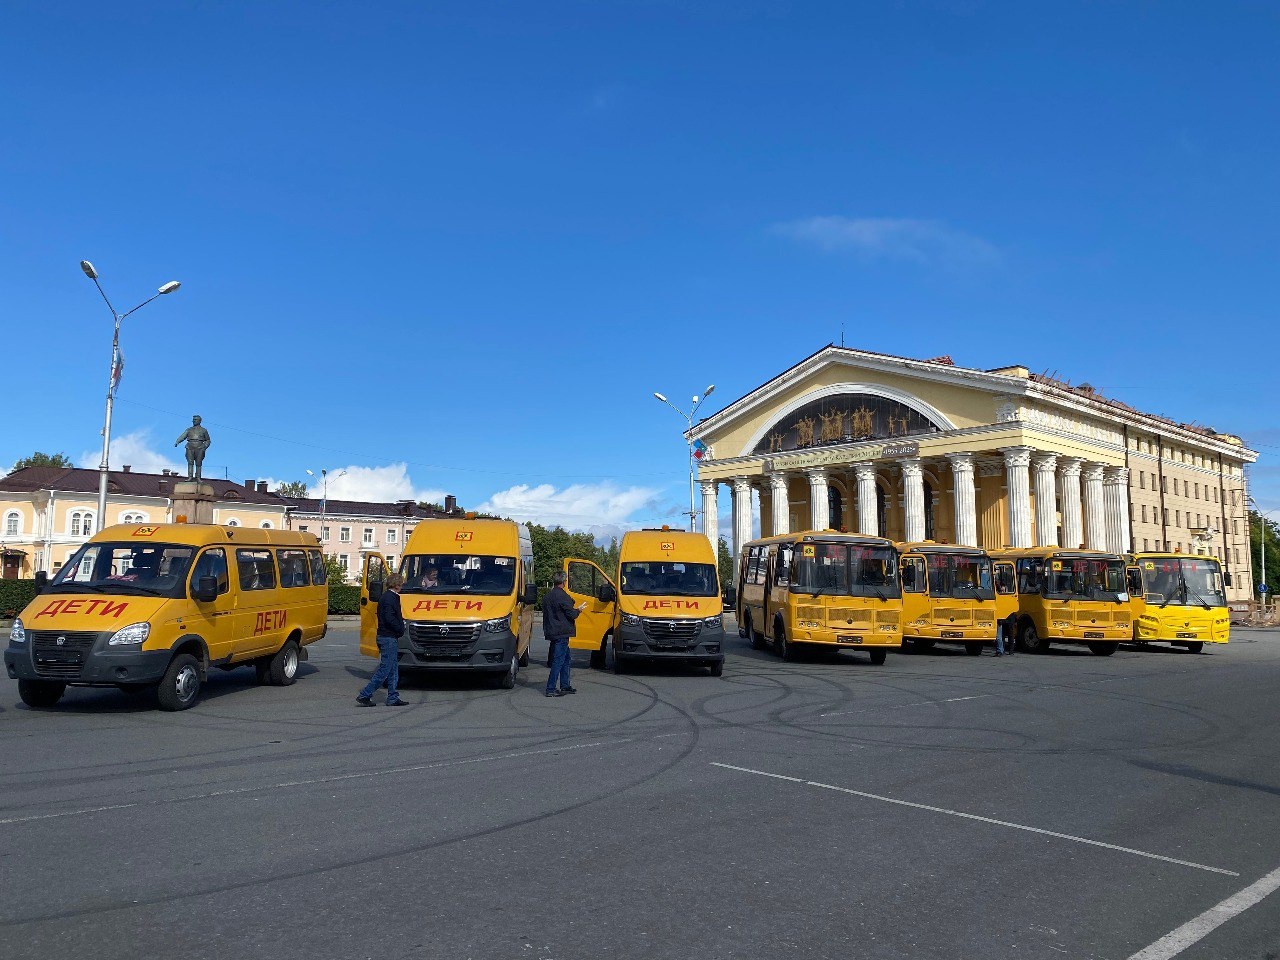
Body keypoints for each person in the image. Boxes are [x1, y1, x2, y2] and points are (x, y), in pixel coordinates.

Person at [357, 572, 410, 707]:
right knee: (385, 669)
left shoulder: (388, 597)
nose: (402, 586)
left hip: (387, 636)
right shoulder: (390, 598)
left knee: (393, 668)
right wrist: (400, 628)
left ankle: (392, 697)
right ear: (397, 584)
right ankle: (365, 694)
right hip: (388, 637)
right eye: (401, 584)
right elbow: (390, 618)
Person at [542, 571, 585, 697]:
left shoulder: (547, 597)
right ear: (564, 582)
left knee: (566, 659)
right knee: (559, 660)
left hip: (553, 630)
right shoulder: (563, 596)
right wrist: (579, 610)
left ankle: (565, 685)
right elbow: (571, 614)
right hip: (562, 632)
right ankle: (550, 688)